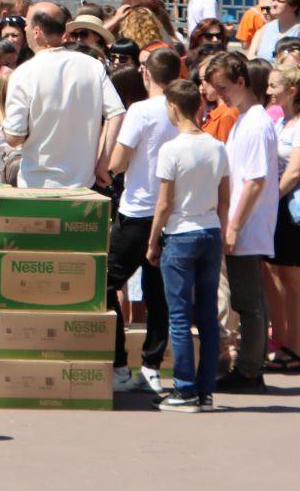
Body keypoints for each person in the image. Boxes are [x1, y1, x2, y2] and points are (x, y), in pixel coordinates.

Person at [148, 78, 230, 413]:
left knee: (179, 316)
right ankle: (205, 390)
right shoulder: (217, 146)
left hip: (180, 234)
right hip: (210, 231)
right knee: (208, 315)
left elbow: (164, 203)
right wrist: (221, 233)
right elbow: (225, 198)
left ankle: (184, 390)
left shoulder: (171, 149)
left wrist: (154, 240)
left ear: (172, 106)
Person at [107, 45, 179, 393]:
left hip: (138, 210)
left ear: (146, 74)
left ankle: (120, 364)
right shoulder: (182, 110)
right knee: (158, 293)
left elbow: (118, 161)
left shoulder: (140, 110)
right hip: (171, 213)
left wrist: (110, 164)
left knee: (106, 282)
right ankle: (151, 366)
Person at [205, 50, 276, 393]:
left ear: (241, 82)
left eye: (222, 88)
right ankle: (250, 367)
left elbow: (255, 180)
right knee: (249, 299)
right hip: (242, 220)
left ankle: (249, 370)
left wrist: (233, 225)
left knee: (248, 300)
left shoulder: (255, 122)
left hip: (246, 222)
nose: (219, 95)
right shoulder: (246, 118)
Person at [3, 4, 125, 190]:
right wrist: (103, 163)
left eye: (27, 25)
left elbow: (14, 138)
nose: (25, 29)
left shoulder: (22, 74)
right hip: (82, 185)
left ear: (37, 31)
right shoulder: (92, 66)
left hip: (35, 186)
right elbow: (117, 114)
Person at [264, 60, 300, 372]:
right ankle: (286, 343)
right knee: (280, 274)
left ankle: (298, 349)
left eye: (275, 86)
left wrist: (270, 197)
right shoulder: (280, 121)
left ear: (293, 89)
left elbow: (296, 170)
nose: (269, 91)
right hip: (277, 204)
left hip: (292, 207)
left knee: (297, 277)